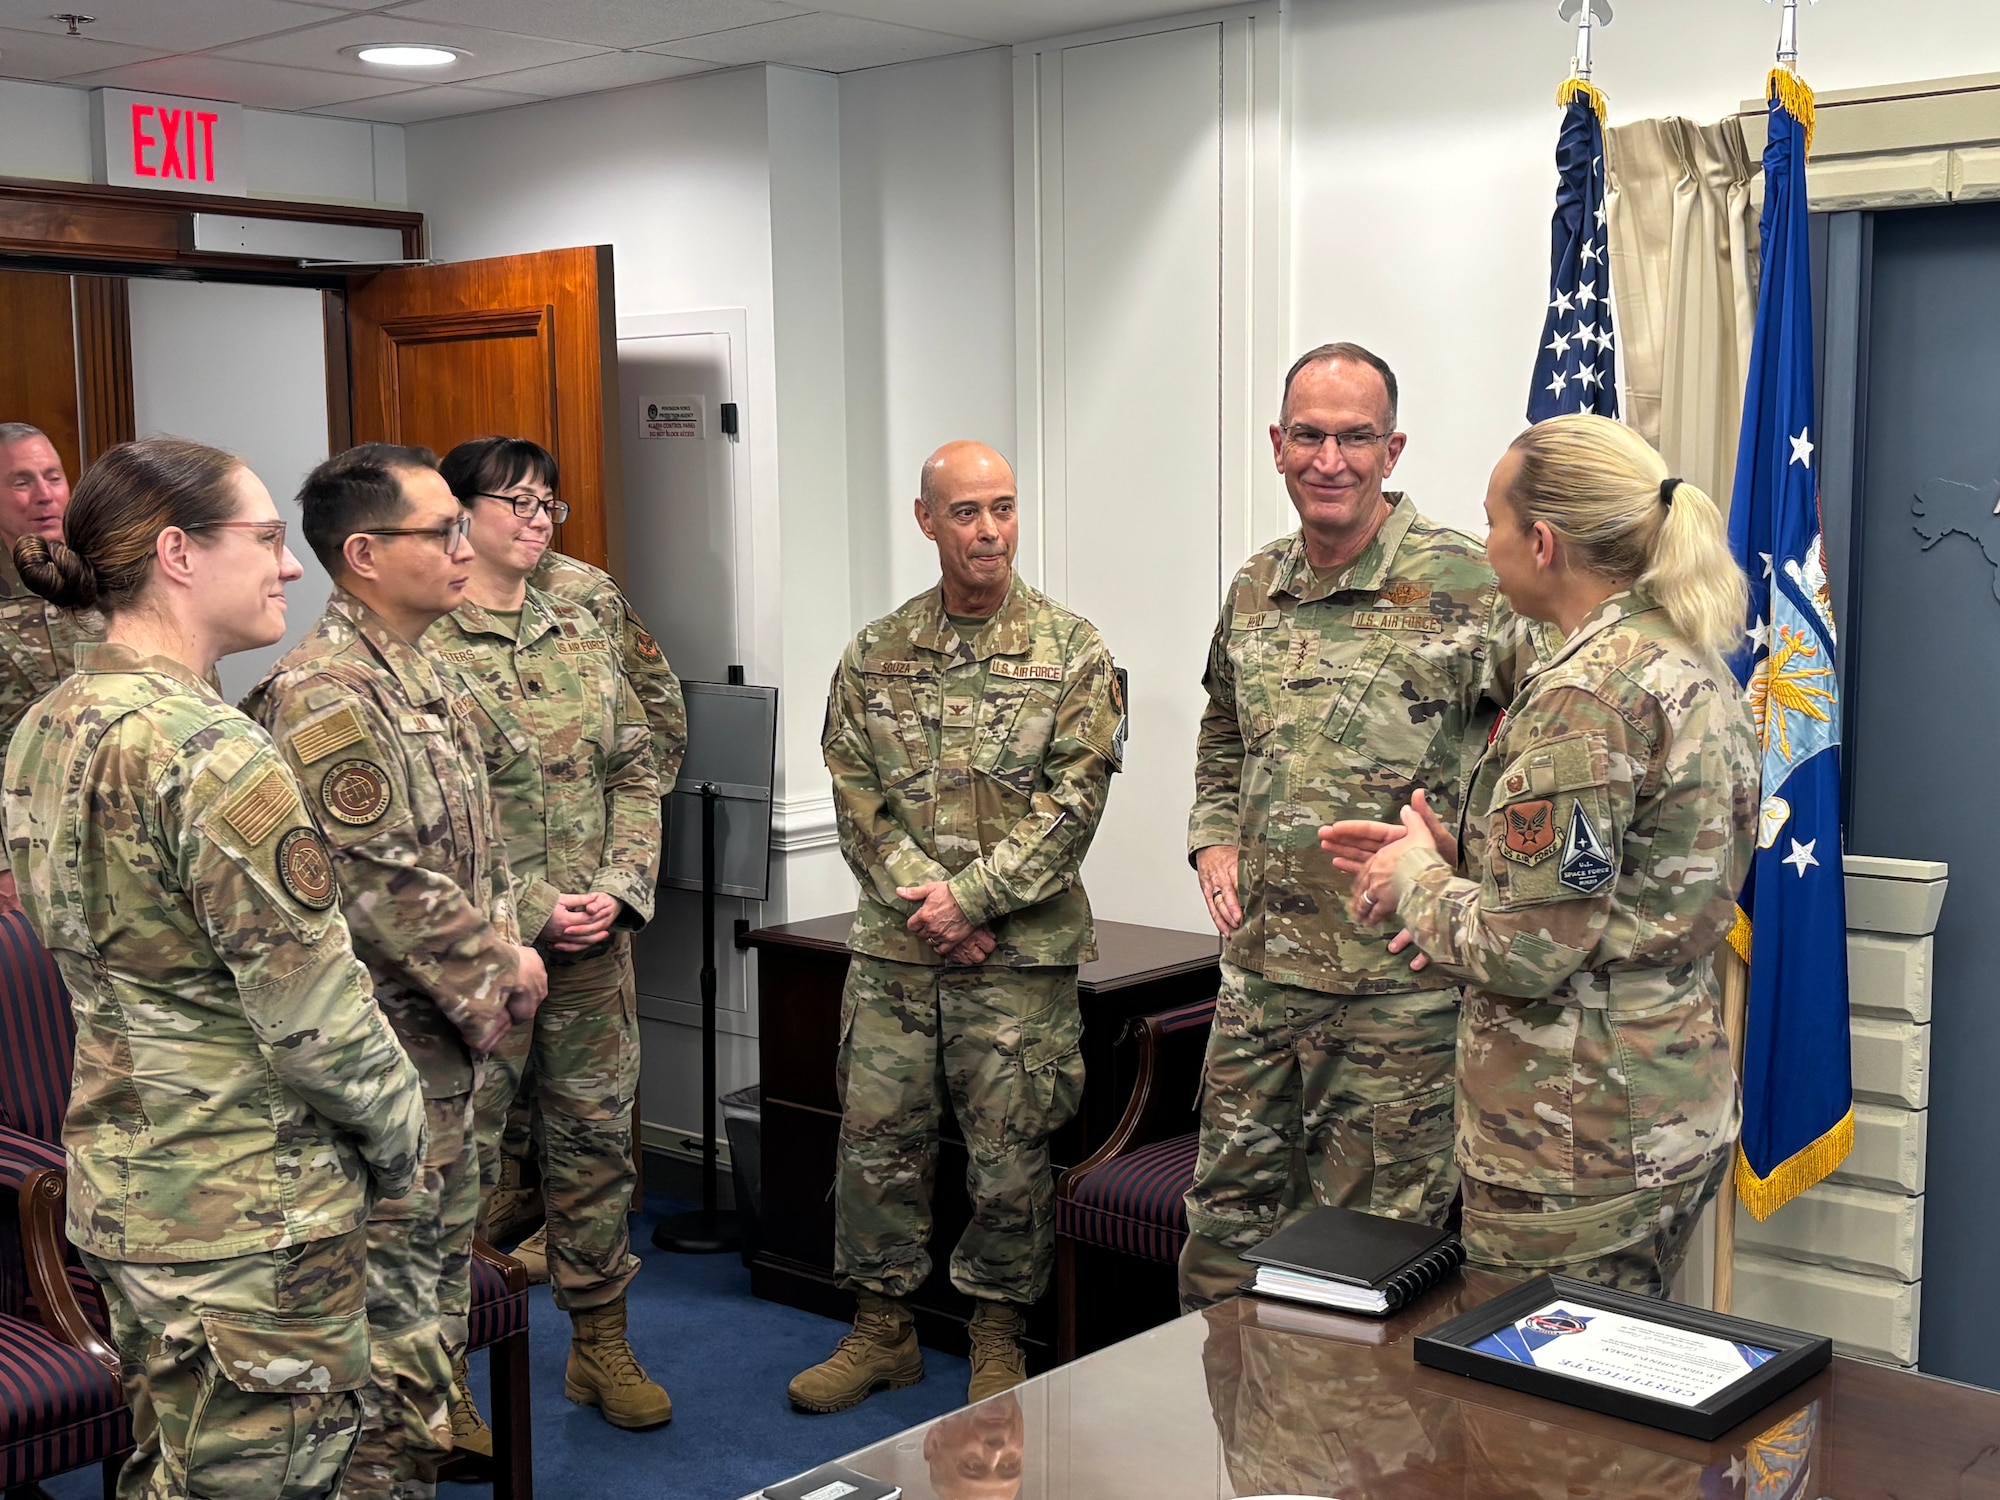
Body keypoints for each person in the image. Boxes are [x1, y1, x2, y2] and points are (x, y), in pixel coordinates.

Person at [3, 437, 428, 1500]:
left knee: (172, 1469)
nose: (289, 566)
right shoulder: (211, 751)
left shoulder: (48, 725)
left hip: (131, 1184)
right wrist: (404, 1140)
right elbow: (315, 1020)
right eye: (268, 539)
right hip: (251, 1215)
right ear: (179, 554)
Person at [1331, 412, 1759, 1292]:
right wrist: (1467, 867)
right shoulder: (1681, 658)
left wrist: (1412, 879)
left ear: (1542, 541)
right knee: (1623, 1399)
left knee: (1539, 1418)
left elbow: (1528, 949)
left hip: (1574, 1137)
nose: (1484, 546)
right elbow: (1623, 884)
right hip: (1664, 1103)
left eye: (1491, 523)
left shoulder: (1586, 697)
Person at [1180, 343, 1545, 1308]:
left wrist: (1476, 872)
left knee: (1364, 1272)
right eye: (1309, 435)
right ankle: (1216, 1458)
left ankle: (1352, 1467)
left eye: (1354, 437)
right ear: (1277, 443)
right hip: (1258, 983)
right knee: (1221, 1246)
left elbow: (1549, 751)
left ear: (1394, 449)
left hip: (1394, 999)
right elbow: (1224, 727)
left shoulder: (1473, 584)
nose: (1329, 459)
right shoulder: (1257, 587)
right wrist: (1214, 833)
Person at [789, 440, 1125, 1412]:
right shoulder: (875, 652)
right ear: (925, 520)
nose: (989, 530)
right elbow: (855, 798)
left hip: (1017, 962)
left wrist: (969, 904)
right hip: (897, 955)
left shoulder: (1071, 650)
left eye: (1004, 509)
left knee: (1010, 1157)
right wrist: (926, 906)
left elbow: (1070, 809)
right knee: (877, 1144)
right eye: (967, 511)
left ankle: (996, 1338)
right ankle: (881, 1332)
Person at [240, 444, 546, 1498]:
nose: (468, 546)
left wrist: (506, 955)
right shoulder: (324, 694)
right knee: (378, 1343)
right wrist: (499, 970)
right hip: (381, 1074)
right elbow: (374, 874)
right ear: (364, 554)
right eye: (443, 531)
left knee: (426, 1327)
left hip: (453, 1058)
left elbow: (483, 846)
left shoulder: (428, 672)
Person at [430, 436, 669, 1430]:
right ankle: (439, 1380)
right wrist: (528, 906)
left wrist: (617, 886)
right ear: (460, 515)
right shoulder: (421, 647)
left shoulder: (576, 627)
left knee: (594, 1148)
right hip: (472, 961)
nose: (535, 521)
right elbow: (419, 821)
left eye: (547, 504)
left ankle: (600, 1344)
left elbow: (635, 766)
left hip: (592, 950)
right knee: (458, 1163)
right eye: (515, 502)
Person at [0, 423, 103, 912]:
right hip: (26, 853)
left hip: (122, 837)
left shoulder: (108, 576)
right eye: (22, 482)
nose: (44, 496)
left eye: (54, 477)